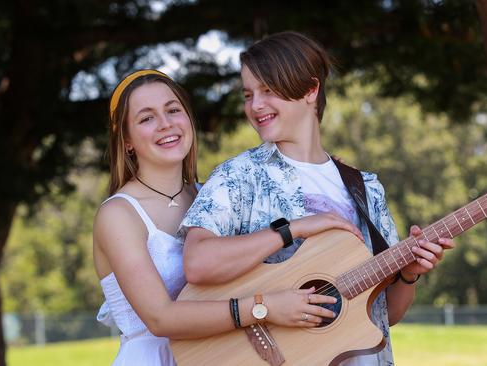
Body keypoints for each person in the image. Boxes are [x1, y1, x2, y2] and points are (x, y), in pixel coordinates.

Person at [180, 31, 455, 365]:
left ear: (311, 90)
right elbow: (197, 262)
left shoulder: (366, 188)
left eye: (268, 90)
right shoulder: (239, 176)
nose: (255, 106)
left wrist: (409, 273)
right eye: (248, 94)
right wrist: (293, 229)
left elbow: (386, 315)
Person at [93, 69, 345, 366]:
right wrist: (264, 308)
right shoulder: (118, 214)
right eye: (147, 118)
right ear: (126, 141)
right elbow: (160, 318)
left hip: (222, 356)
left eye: (173, 110)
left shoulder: (214, 197)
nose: (165, 124)